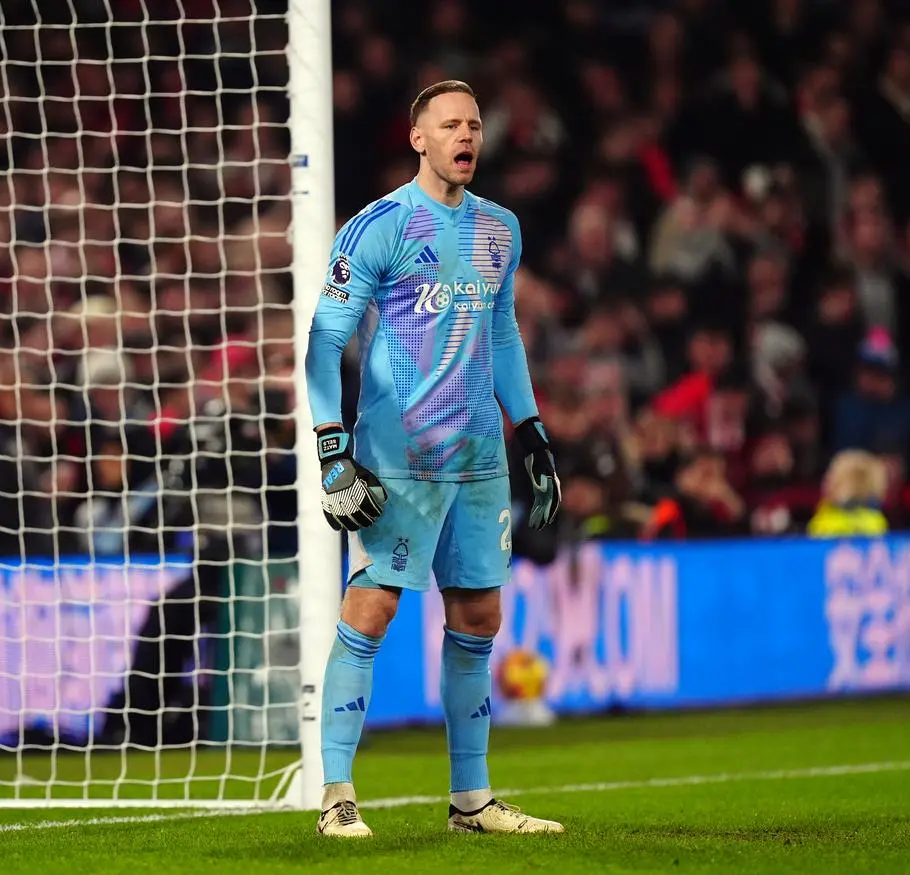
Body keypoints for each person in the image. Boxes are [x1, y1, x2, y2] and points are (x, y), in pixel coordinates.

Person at [304, 80, 563, 837]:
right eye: (450, 123)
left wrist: (534, 434)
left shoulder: (501, 231)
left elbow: (504, 336)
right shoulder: (379, 226)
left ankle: (472, 802)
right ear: (419, 137)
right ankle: (337, 796)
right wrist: (333, 450)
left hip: (480, 457)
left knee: (479, 614)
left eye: (475, 124)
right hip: (401, 456)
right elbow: (323, 344)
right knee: (374, 603)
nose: (467, 135)